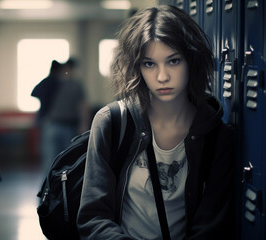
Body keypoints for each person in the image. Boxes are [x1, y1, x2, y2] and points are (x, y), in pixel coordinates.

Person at [77, 5, 235, 240]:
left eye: (173, 61)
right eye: (149, 64)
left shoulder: (215, 134)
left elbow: (212, 225)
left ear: (191, 60)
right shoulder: (112, 123)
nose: (162, 76)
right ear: (137, 67)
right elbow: (93, 216)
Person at [32, 58, 89, 174]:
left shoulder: (76, 85)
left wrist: (84, 124)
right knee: (50, 161)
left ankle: (62, 188)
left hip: (68, 126)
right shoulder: (53, 83)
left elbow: (83, 106)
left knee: (67, 161)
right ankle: (48, 188)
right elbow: (36, 93)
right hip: (52, 125)